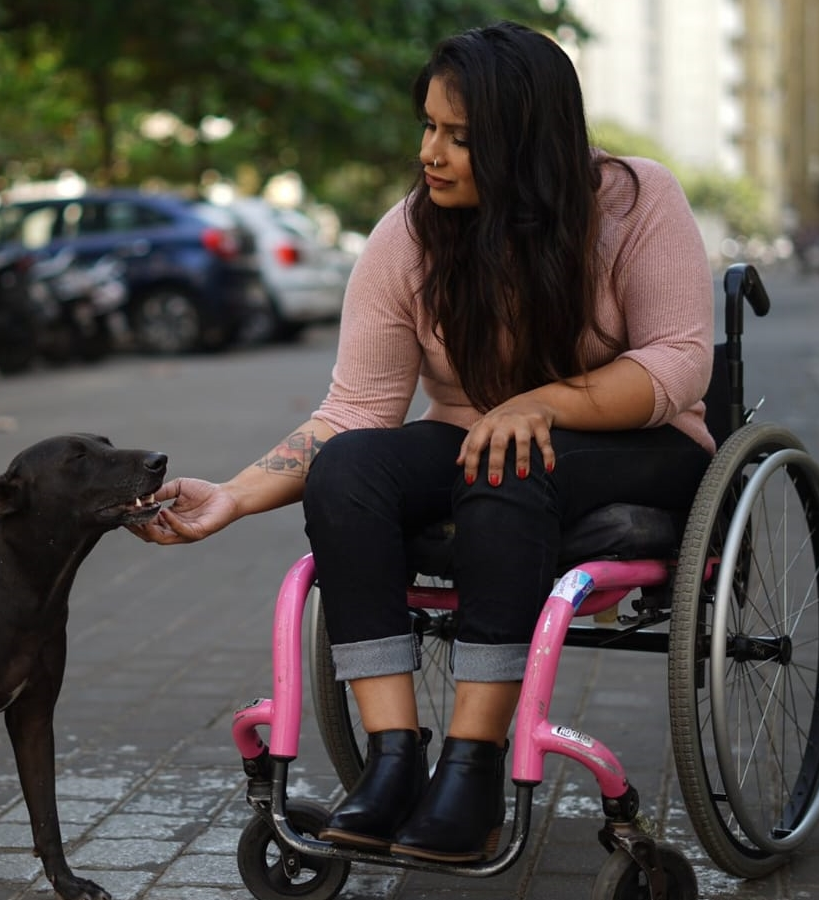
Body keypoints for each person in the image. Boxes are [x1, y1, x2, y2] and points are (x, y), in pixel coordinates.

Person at [129, 21, 715, 863]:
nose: (431, 154)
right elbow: (353, 410)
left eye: (461, 137)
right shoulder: (410, 235)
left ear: (525, 144)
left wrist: (540, 403)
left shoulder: (632, 200)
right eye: (429, 128)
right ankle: (395, 758)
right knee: (351, 468)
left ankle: (473, 771)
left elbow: (679, 361)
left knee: (508, 466)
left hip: (643, 442)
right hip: (479, 447)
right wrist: (230, 495)